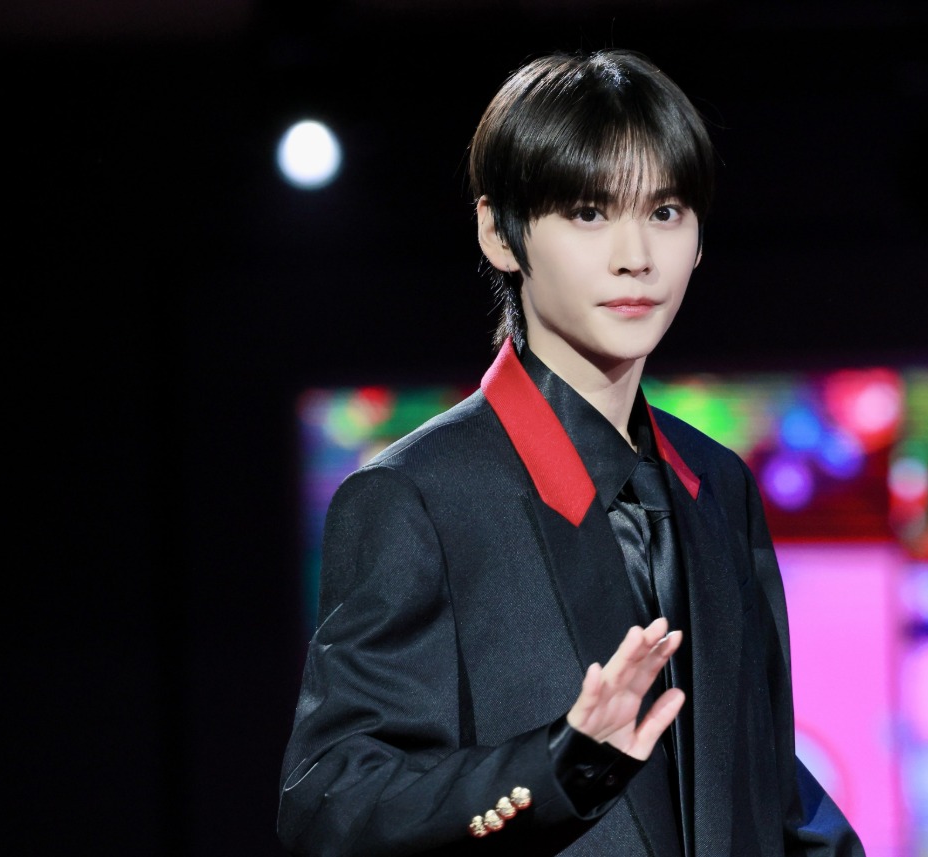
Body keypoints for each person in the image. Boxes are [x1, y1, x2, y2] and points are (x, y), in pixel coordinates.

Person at [277, 48, 865, 857]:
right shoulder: (418, 497)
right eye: (590, 213)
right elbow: (334, 807)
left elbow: (766, 789)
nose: (636, 255)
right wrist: (562, 765)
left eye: (665, 211)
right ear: (499, 232)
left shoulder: (717, 486)